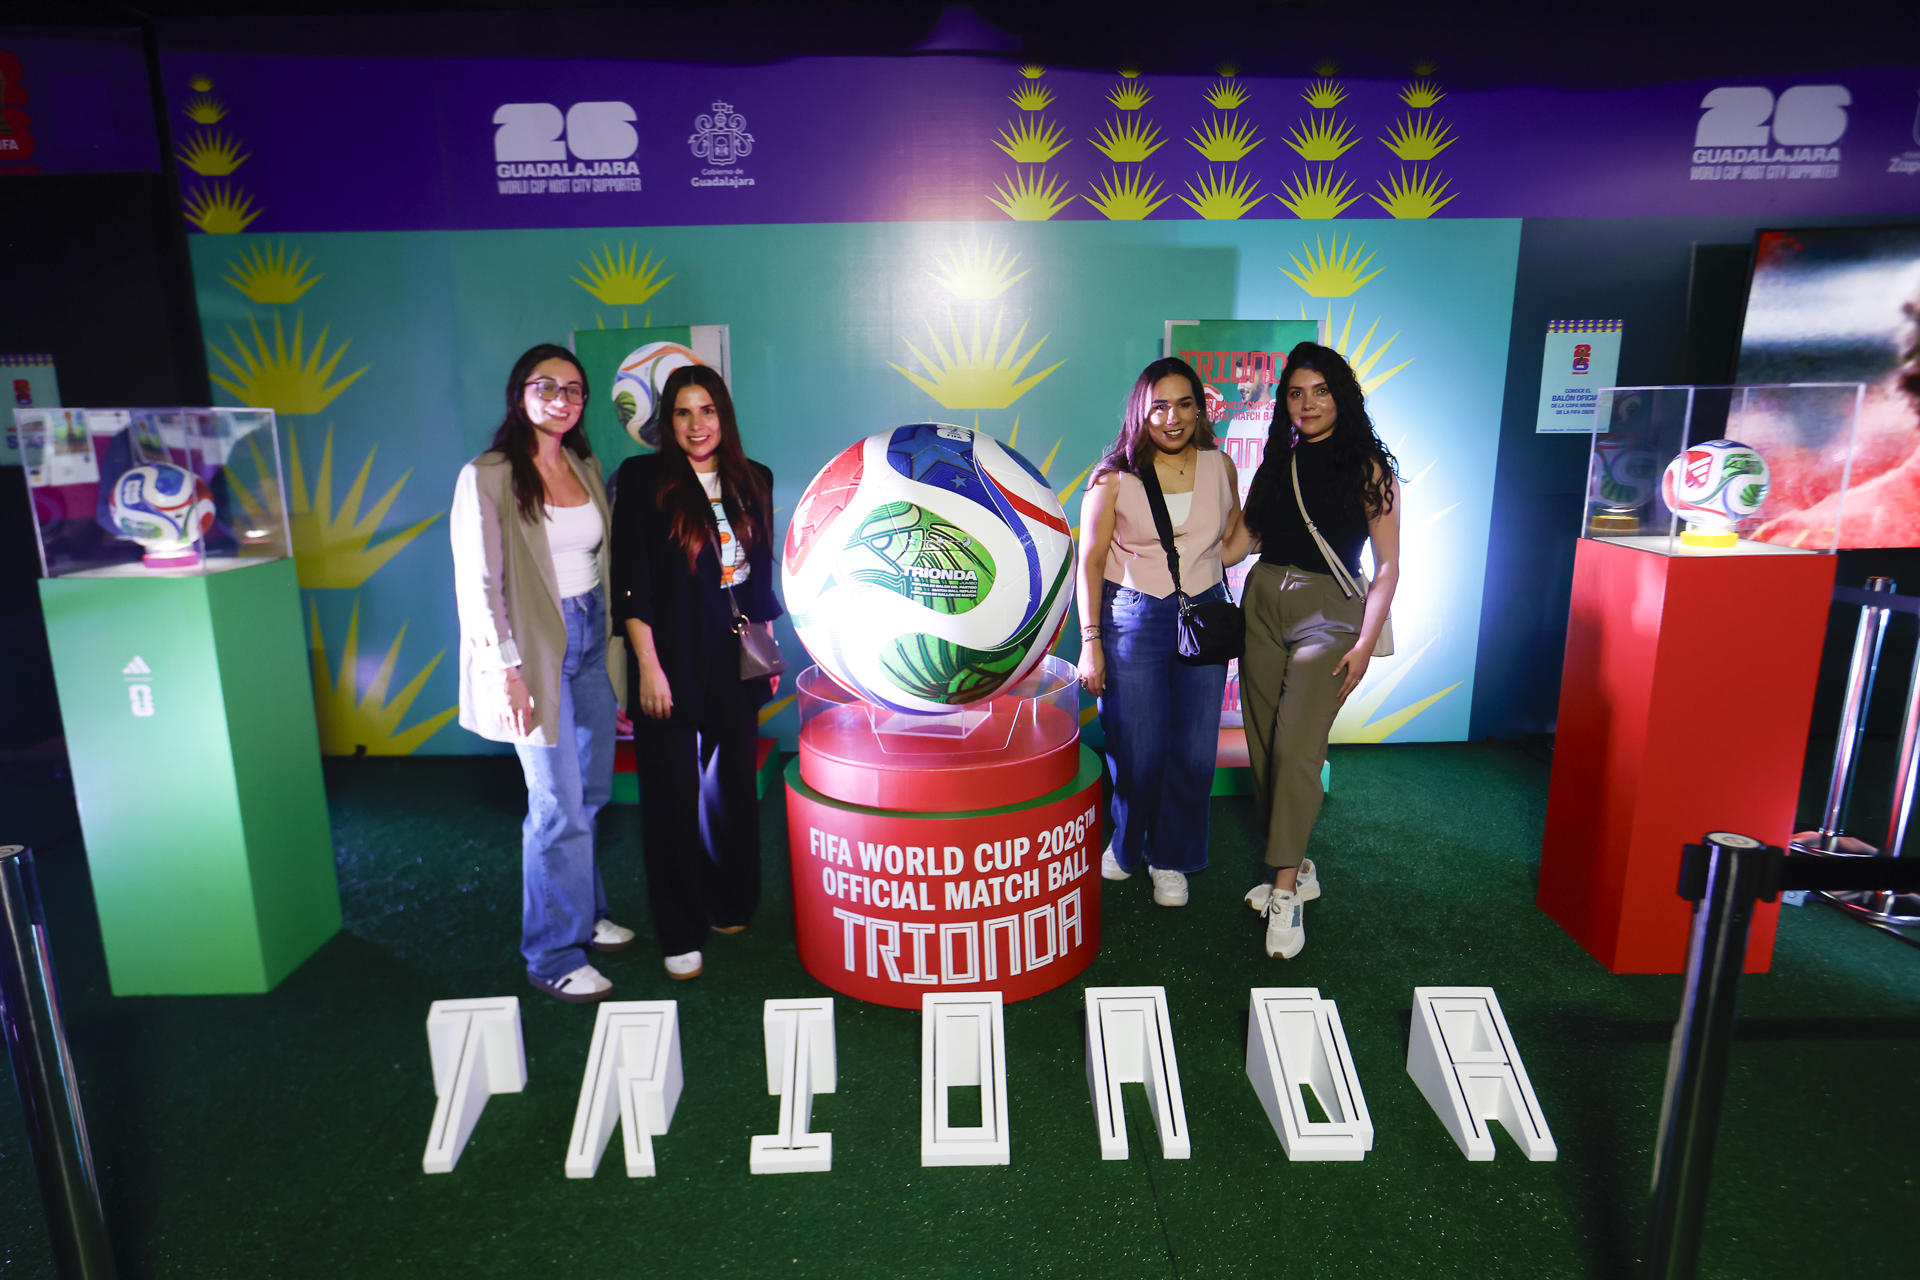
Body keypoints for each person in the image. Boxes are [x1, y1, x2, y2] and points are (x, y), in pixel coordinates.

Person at [452, 343, 632, 1004]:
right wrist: (507, 669)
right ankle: (552, 952)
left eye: (574, 389)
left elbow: (602, 562)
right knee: (555, 804)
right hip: (531, 647)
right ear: (520, 393)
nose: (561, 399)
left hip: (589, 640)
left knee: (590, 793)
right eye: (546, 386)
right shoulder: (491, 474)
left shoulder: (584, 463)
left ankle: (582, 915)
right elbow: (480, 584)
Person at [1230, 341, 1402, 960]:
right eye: (1296, 394)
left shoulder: (1369, 469)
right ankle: (1297, 865)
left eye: (1319, 391)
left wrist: (1361, 645)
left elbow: (1387, 569)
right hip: (1263, 598)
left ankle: (1284, 894)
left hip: (1330, 612)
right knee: (1261, 742)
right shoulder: (1276, 463)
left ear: (1342, 396)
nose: (1307, 404)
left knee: (1297, 745)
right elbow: (1240, 543)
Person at [611, 364, 782, 981]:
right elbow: (630, 584)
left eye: (706, 410)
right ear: (667, 421)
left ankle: (730, 900)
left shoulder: (753, 478)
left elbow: (759, 579)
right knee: (671, 801)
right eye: (682, 413)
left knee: (734, 786)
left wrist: (766, 654)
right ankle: (680, 929)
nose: (695, 425)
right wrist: (648, 669)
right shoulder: (641, 479)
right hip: (668, 653)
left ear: (723, 415)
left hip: (734, 657)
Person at [1076, 356, 1247, 908]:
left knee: (1196, 750)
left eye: (1185, 404)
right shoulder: (1113, 478)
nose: (1173, 418)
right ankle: (1126, 844)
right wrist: (1091, 642)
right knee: (1138, 748)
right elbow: (1090, 563)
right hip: (1134, 617)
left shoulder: (1221, 468)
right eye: (1161, 406)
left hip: (1202, 612)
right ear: (1141, 411)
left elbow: (1231, 544)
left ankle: (1171, 858)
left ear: (1200, 408)